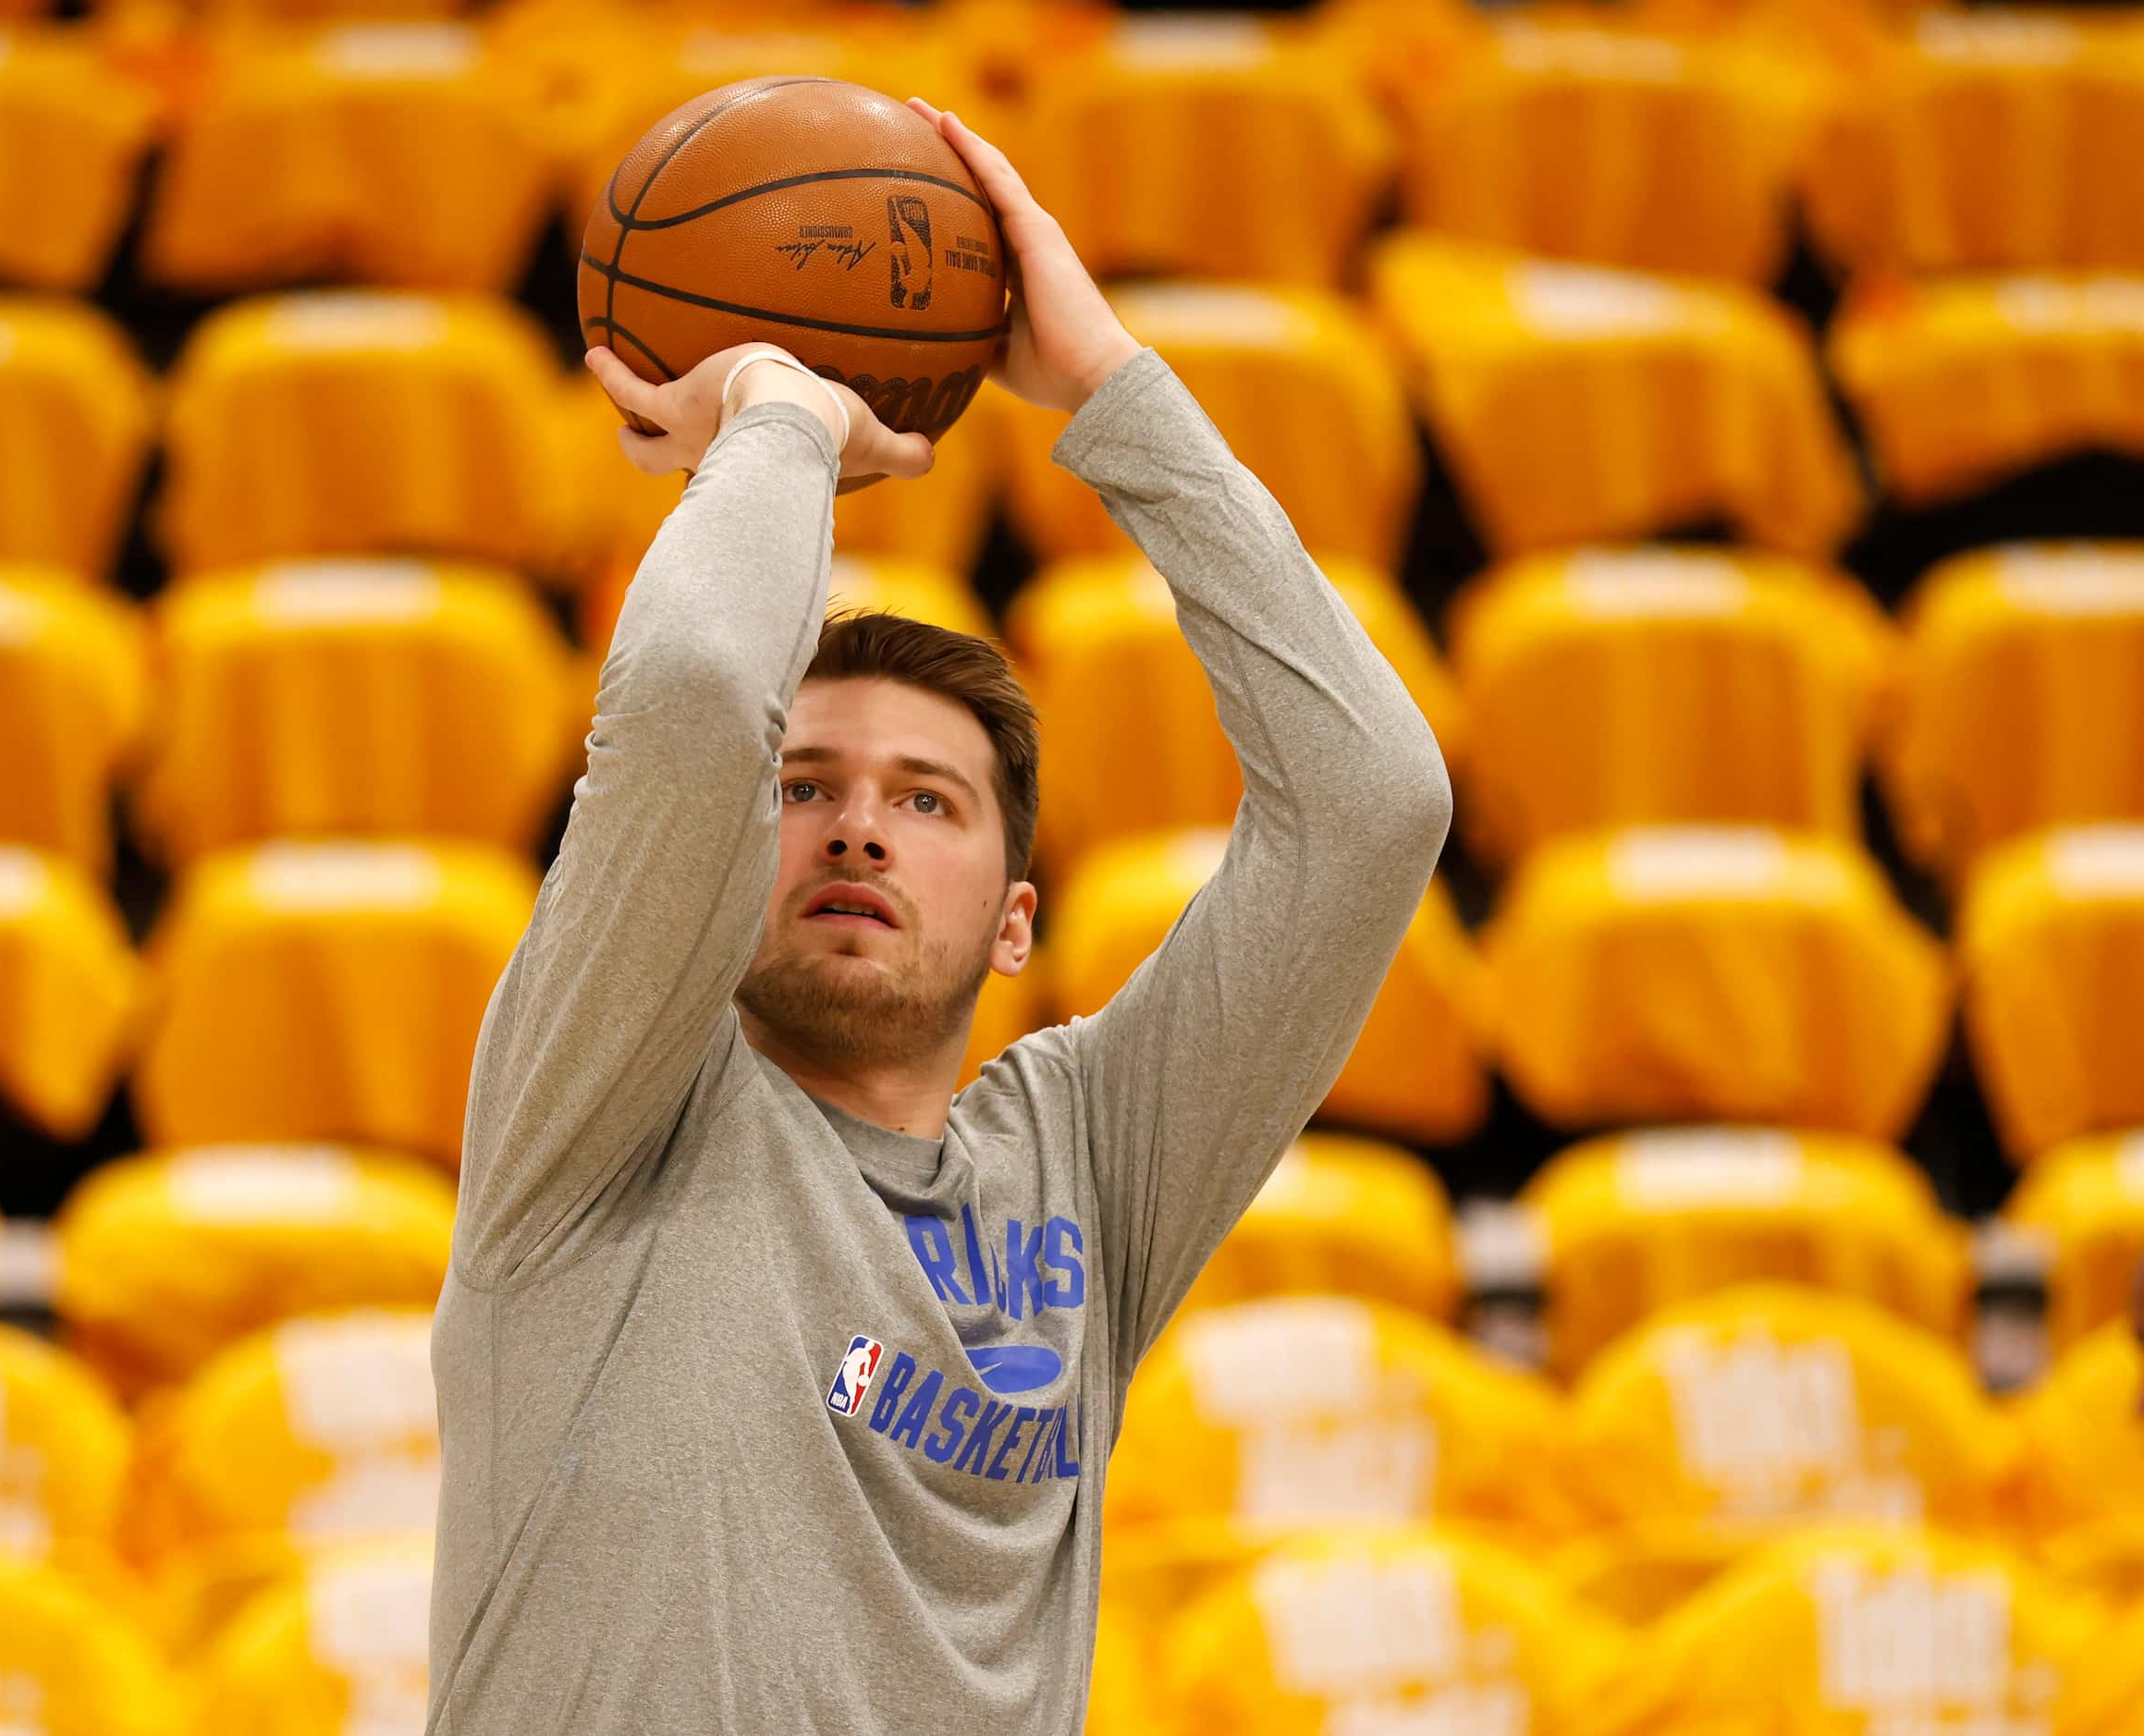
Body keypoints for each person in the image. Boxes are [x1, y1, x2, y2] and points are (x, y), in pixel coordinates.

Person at [425, 101, 1452, 1733]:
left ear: (1015, 922)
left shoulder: (1089, 1168)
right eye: (805, 783)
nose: (854, 822)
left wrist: (1113, 390)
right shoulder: (602, 1103)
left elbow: (1374, 802)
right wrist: (774, 408)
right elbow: (699, 689)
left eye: (927, 798)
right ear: (715, 864)